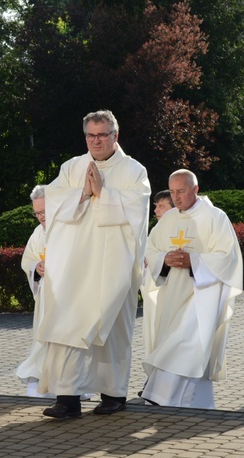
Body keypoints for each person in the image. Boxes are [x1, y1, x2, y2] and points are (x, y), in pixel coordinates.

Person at [37, 110, 151, 418]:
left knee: (112, 331)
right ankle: (67, 398)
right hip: (75, 264)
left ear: (116, 135)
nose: (96, 140)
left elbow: (136, 215)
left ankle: (113, 394)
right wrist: (84, 193)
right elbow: (55, 205)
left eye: (102, 135)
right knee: (66, 326)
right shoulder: (72, 167)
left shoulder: (133, 171)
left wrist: (104, 193)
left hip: (113, 264)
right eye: (91, 135)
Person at [139, 169, 243, 408]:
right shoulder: (169, 219)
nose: (176, 197)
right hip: (172, 293)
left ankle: (162, 396)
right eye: (173, 192)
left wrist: (194, 261)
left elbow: (228, 257)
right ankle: (194, 403)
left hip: (202, 295)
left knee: (185, 343)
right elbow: (149, 250)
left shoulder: (215, 217)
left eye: (181, 191)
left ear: (195, 189)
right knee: (176, 341)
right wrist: (164, 259)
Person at [17, 185, 50, 397]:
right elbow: (27, 260)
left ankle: (72, 386)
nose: (40, 217)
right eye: (37, 213)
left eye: (43, 212)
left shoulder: (71, 228)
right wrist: (36, 267)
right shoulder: (38, 233)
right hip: (46, 299)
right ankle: (42, 378)